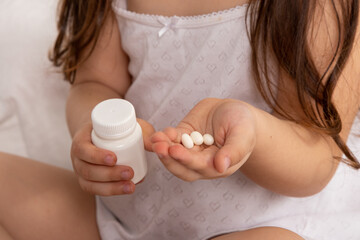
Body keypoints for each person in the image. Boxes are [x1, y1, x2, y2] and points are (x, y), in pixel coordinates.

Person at [1, 0, 360, 239]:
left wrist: (251, 130)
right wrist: (95, 130)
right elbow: (95, 83)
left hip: (265, 223)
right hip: (129, 215)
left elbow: (315, 159)